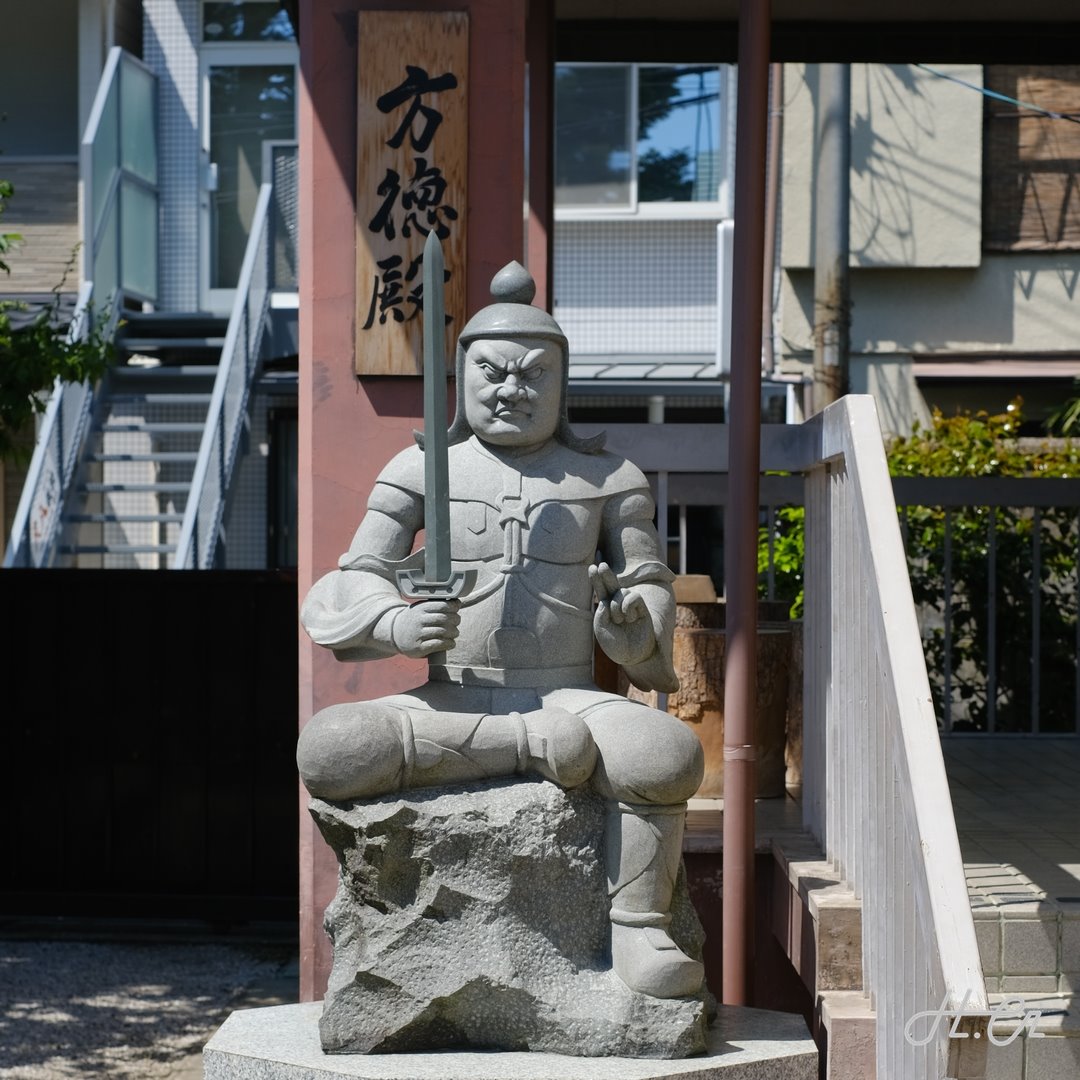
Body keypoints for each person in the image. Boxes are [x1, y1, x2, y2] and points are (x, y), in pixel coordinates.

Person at [298, 261, 705, 1000]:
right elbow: (347, 581)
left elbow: (648, 582)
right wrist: (395, 620)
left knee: (668, 752)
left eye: (533, 375)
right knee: (328, 749)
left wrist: (629, 629)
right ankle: (529, 752)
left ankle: (639, 925)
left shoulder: (610, 478)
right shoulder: (421, 470)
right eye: (493, 372)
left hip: (566, 694)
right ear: (460, 377)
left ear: (563, 384)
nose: (512, 390)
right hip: (450, 696)